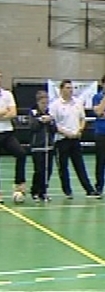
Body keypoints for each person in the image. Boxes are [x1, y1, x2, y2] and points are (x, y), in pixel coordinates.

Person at [50, 80, 101, 200]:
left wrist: (79, 131)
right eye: (67, 88)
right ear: (61, 89)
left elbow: (82, 119)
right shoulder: (55, 105)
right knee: (63, 167)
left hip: (75, 139)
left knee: (80, 165)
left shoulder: (77, 102)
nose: (70, 90)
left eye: (71, 88)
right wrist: (66, 133)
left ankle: (89, 190)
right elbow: (53, 124)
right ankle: (67, 191)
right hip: (62, 139)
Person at [0, 70, 27, 203]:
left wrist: (5, 113)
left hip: (7, 132)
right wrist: (4, 111)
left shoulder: (7, 94)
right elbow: (7, 112)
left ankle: (19, 185)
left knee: (21, 154)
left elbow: (13, 113)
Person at [28, 91, 56, 202]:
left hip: (48, 146)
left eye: (46, 103)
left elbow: (54, 130)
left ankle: (43, 191)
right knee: (39, 170)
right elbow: (32, 127)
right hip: (37, 146)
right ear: (38, 102)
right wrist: (40, 121)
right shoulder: (33, 113)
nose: (45, 105)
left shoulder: (50, 113)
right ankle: (35, 191)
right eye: (43, 103)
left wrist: (50, 122)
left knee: (48, 170)